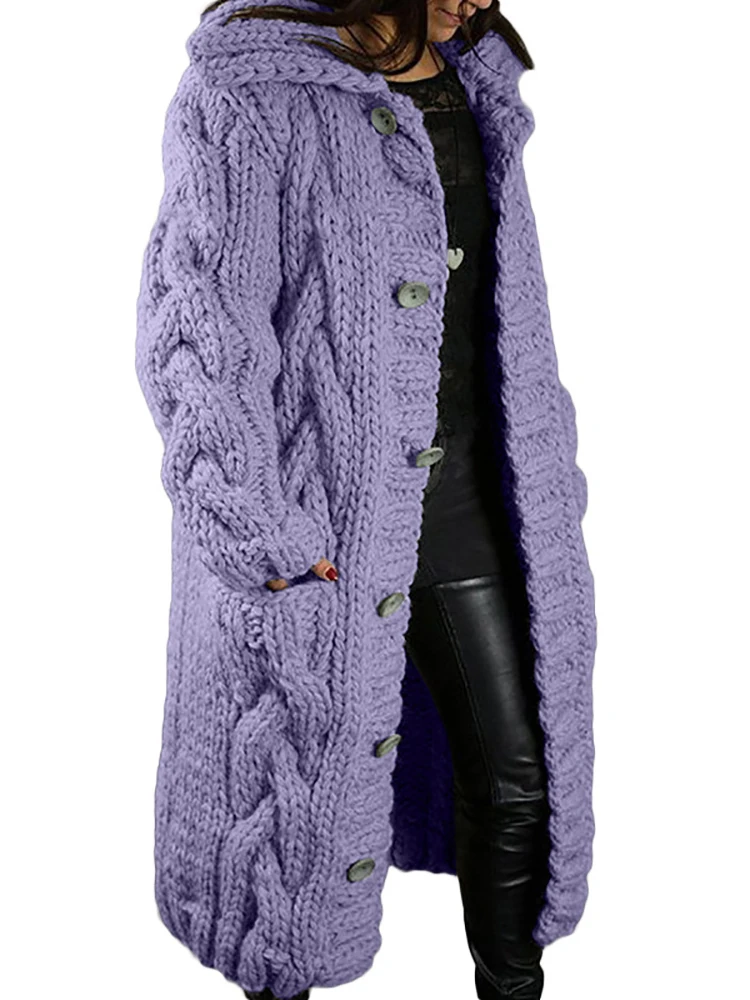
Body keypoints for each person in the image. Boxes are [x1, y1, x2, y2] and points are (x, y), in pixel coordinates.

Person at [134, 3, 597, 1000]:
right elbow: (198, 334)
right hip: (322, 521)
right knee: (294, 818)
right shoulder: (251, 87)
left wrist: (553, 462)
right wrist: (261, 532)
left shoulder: (471, 78)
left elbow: (501, 306)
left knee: (521, 778)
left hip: (476, 501)